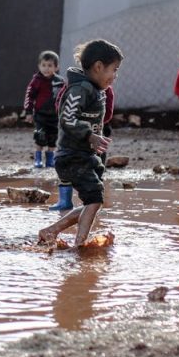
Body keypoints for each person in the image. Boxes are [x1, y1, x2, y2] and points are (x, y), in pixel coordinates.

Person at [38, 39, 122, 248]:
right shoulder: (79, 89)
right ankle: (80, 247)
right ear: (98, 67)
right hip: (72, 156)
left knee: (92, 202)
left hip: (86, 157)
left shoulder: (96, 90)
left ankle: (51, 231)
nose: (115, 76)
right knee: (95, 200)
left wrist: (97, 148)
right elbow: (67, 118)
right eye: (114, 69)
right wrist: (90, 136)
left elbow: (99, 120)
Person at [23, 50, 65, 169]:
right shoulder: (36, 81)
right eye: (44, 65)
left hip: (55, 116)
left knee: (53, 137)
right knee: (40, 136)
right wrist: (28, 112)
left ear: (56, 67)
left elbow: (64, 97)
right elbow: (29, 96)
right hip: (41, 115)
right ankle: (38, 158)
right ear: (39, 66)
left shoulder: (60, 82)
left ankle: (50, 159)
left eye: (50, 65)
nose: (46, 68)